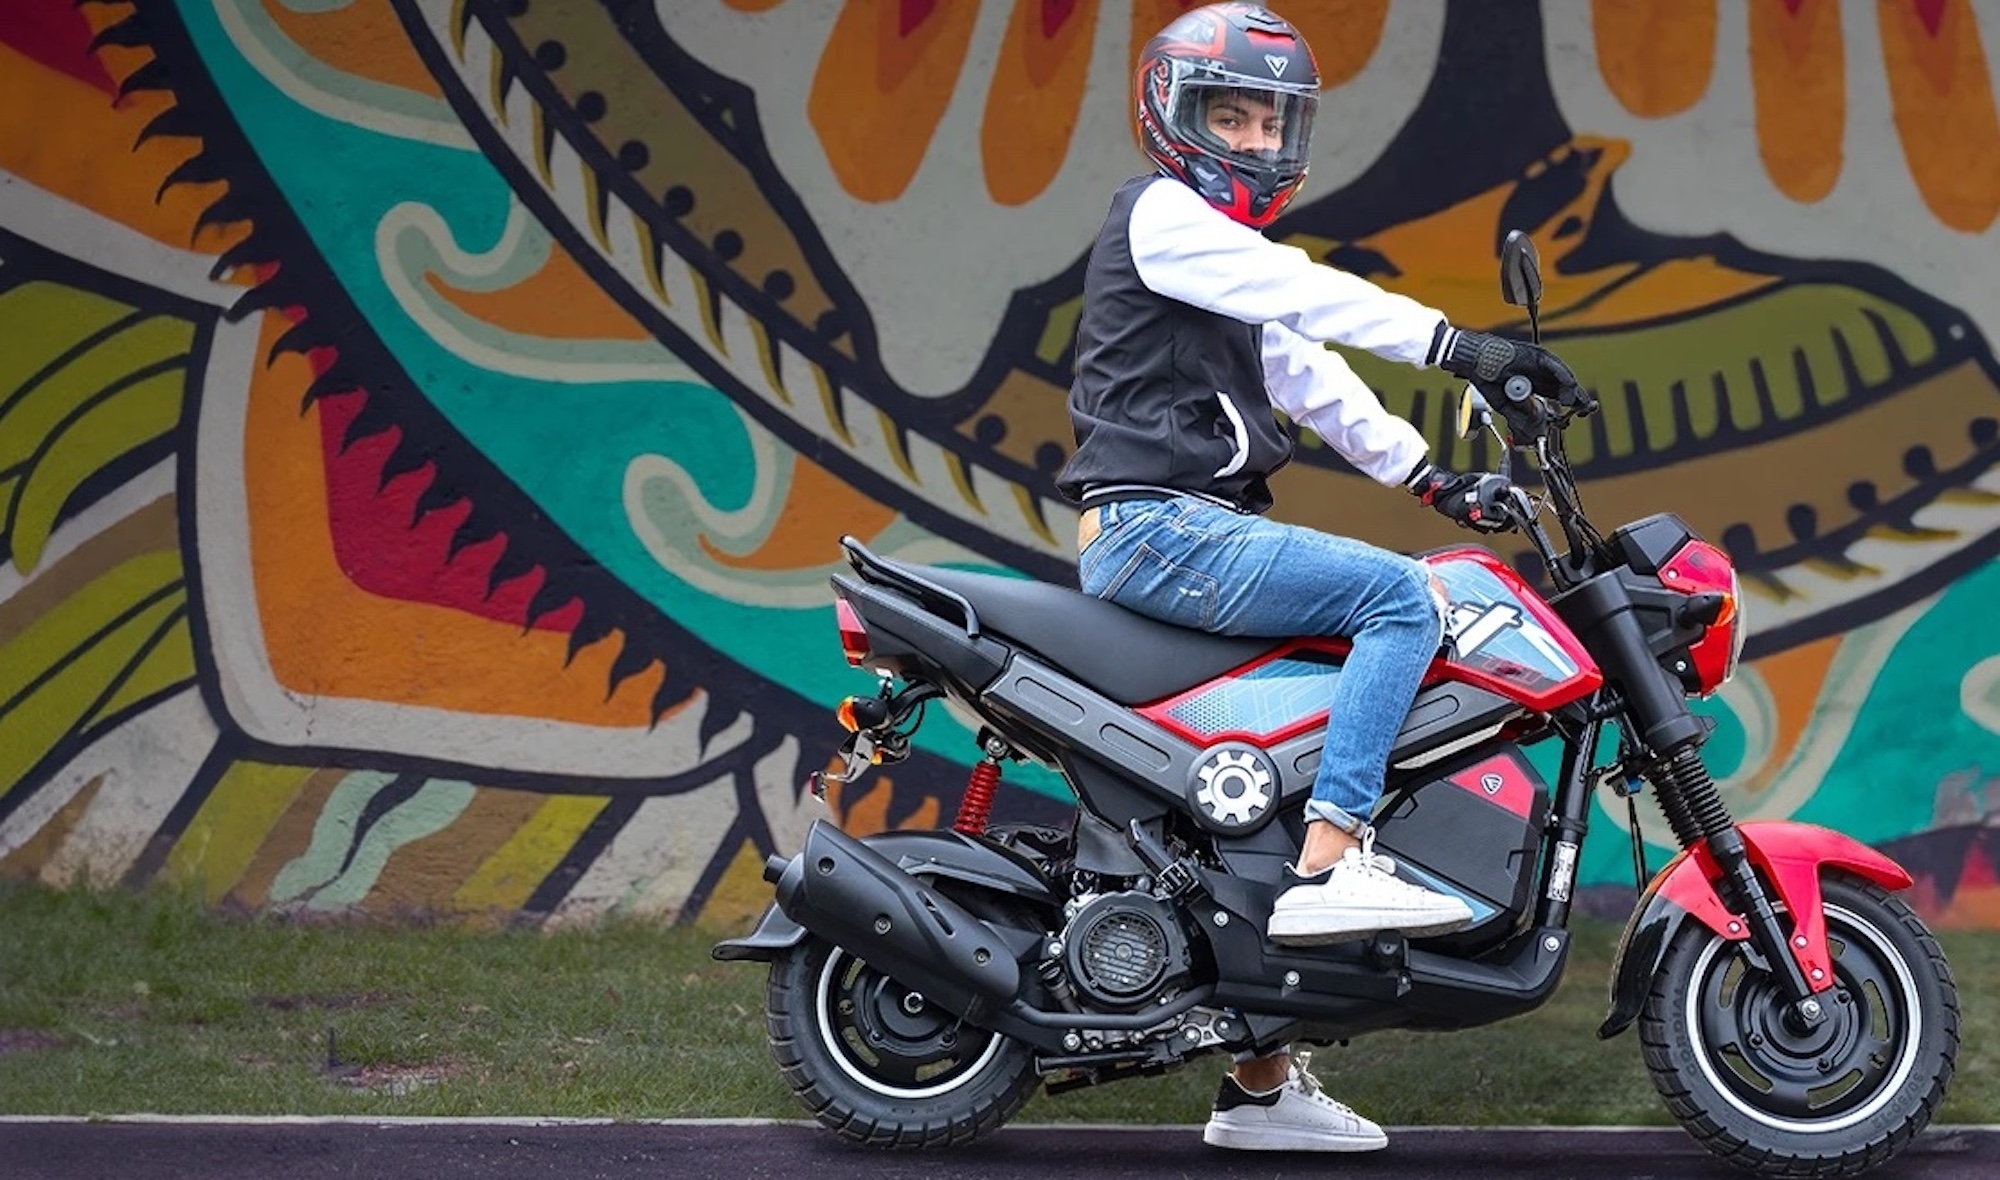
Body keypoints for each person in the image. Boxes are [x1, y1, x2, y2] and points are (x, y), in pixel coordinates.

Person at [1056, 2, 1584, 1154]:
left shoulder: (1221, 272)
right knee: (1401, 600)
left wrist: (1440, 481)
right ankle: (1336, 862)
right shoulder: (1163, 219)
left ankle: (1256, 1084)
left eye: (1265, 121)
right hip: (1158, 527)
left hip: (1193, 529)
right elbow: (1308, 295)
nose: (1246, 141)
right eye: (1225, 116)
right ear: (1169, 116)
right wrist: (1463, 349)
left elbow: (1309, 373)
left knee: (1282, 767)